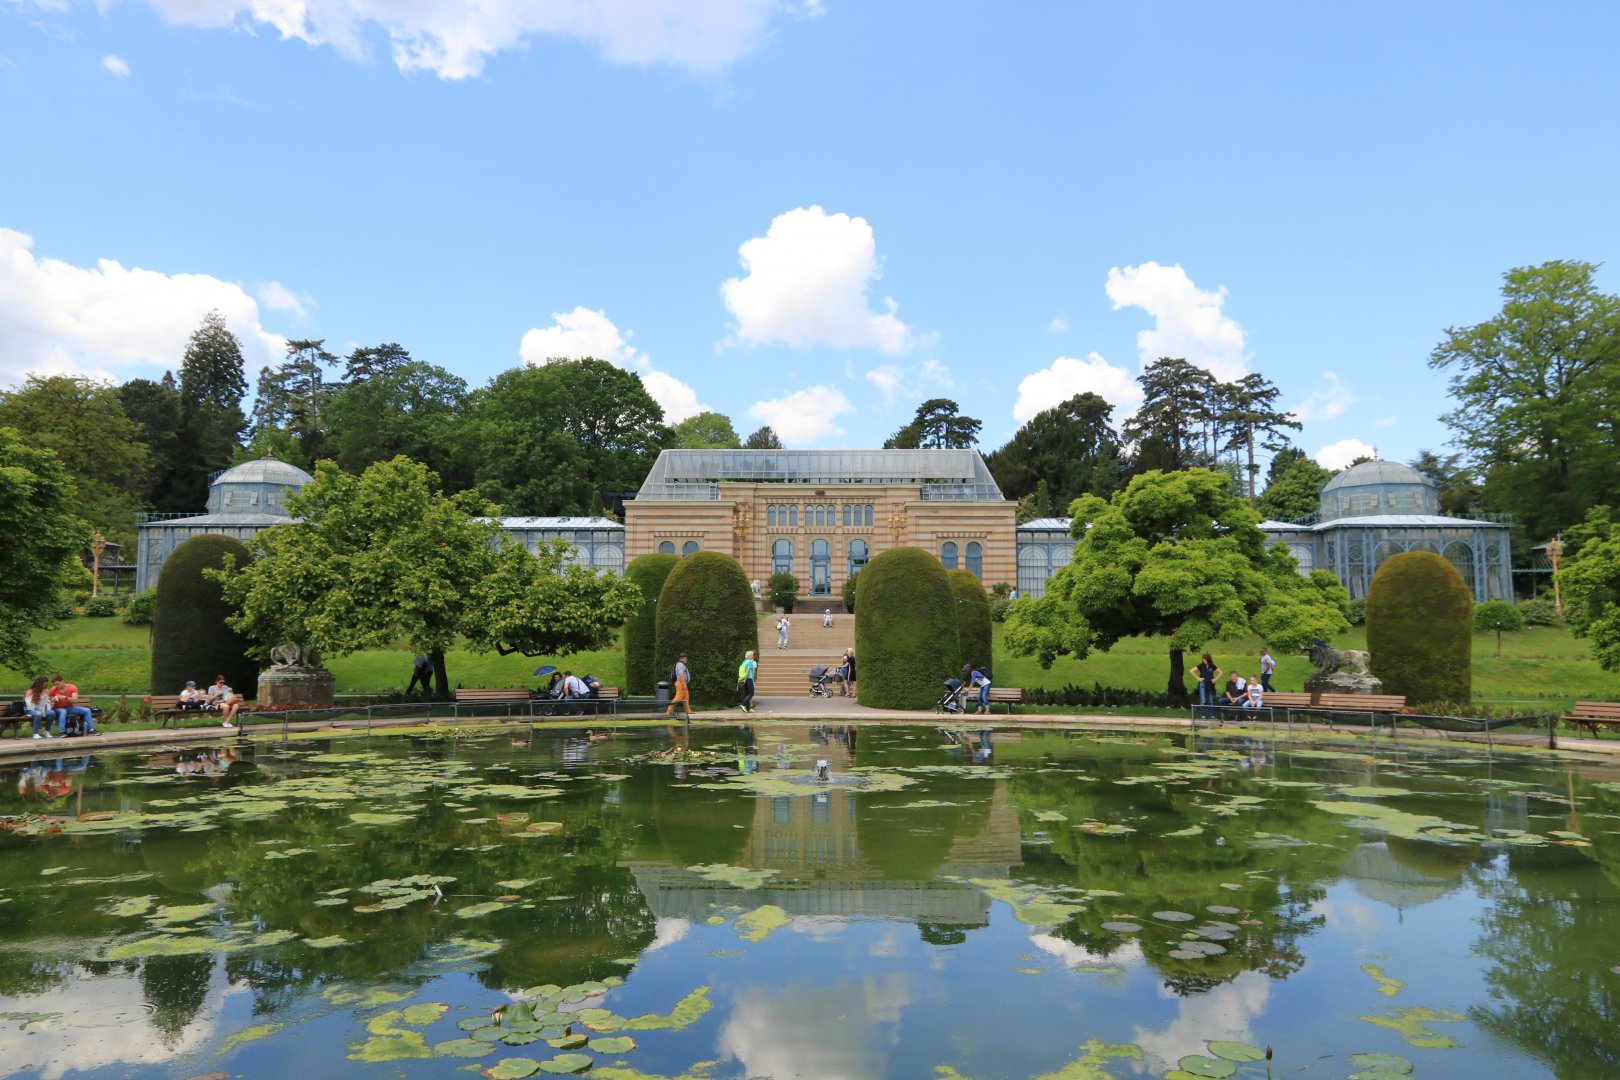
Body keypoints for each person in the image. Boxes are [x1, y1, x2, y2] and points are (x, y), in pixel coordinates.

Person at [1195, 654, 1221, 718]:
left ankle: (1211, 715)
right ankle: (1203, 715)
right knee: (1203, 700)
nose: (1204, 660)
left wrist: (1215, 679)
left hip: (1210, 685)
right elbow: (1192, 671)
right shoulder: (1201, 665)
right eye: (1203, 659)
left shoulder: (1212, 666)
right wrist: (1198, 678)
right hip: (1203, 684)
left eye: (1205, 659)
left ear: (1208, 659)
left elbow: (1220, 672)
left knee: (1211, 700)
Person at [666, 653, 691, 718]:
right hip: (681, 683)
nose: (687, 659)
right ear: (681, 658)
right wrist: (684, 683)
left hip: (682, 682)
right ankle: (669, 711)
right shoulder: (680, 665)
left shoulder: (681, 665)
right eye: (686, 658)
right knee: (678, 697)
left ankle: (687, 711)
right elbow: (681, 674)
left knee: (686, 697)